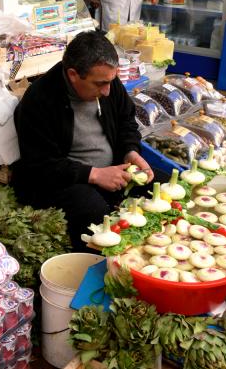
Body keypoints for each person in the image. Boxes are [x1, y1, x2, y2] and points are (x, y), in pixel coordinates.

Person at [13, 31, 166, 252]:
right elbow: (41, 165)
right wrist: (94, 174)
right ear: (74, 74)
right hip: (65, 181)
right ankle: (98, 264)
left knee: (161, 185)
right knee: (94, 212)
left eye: (110, 82)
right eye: (100, 84)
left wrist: (130, 151)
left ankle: (153, 249)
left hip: (113, 168)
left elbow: (127, 122)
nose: (107, 91)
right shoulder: (39, 100)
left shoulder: (108, 84)